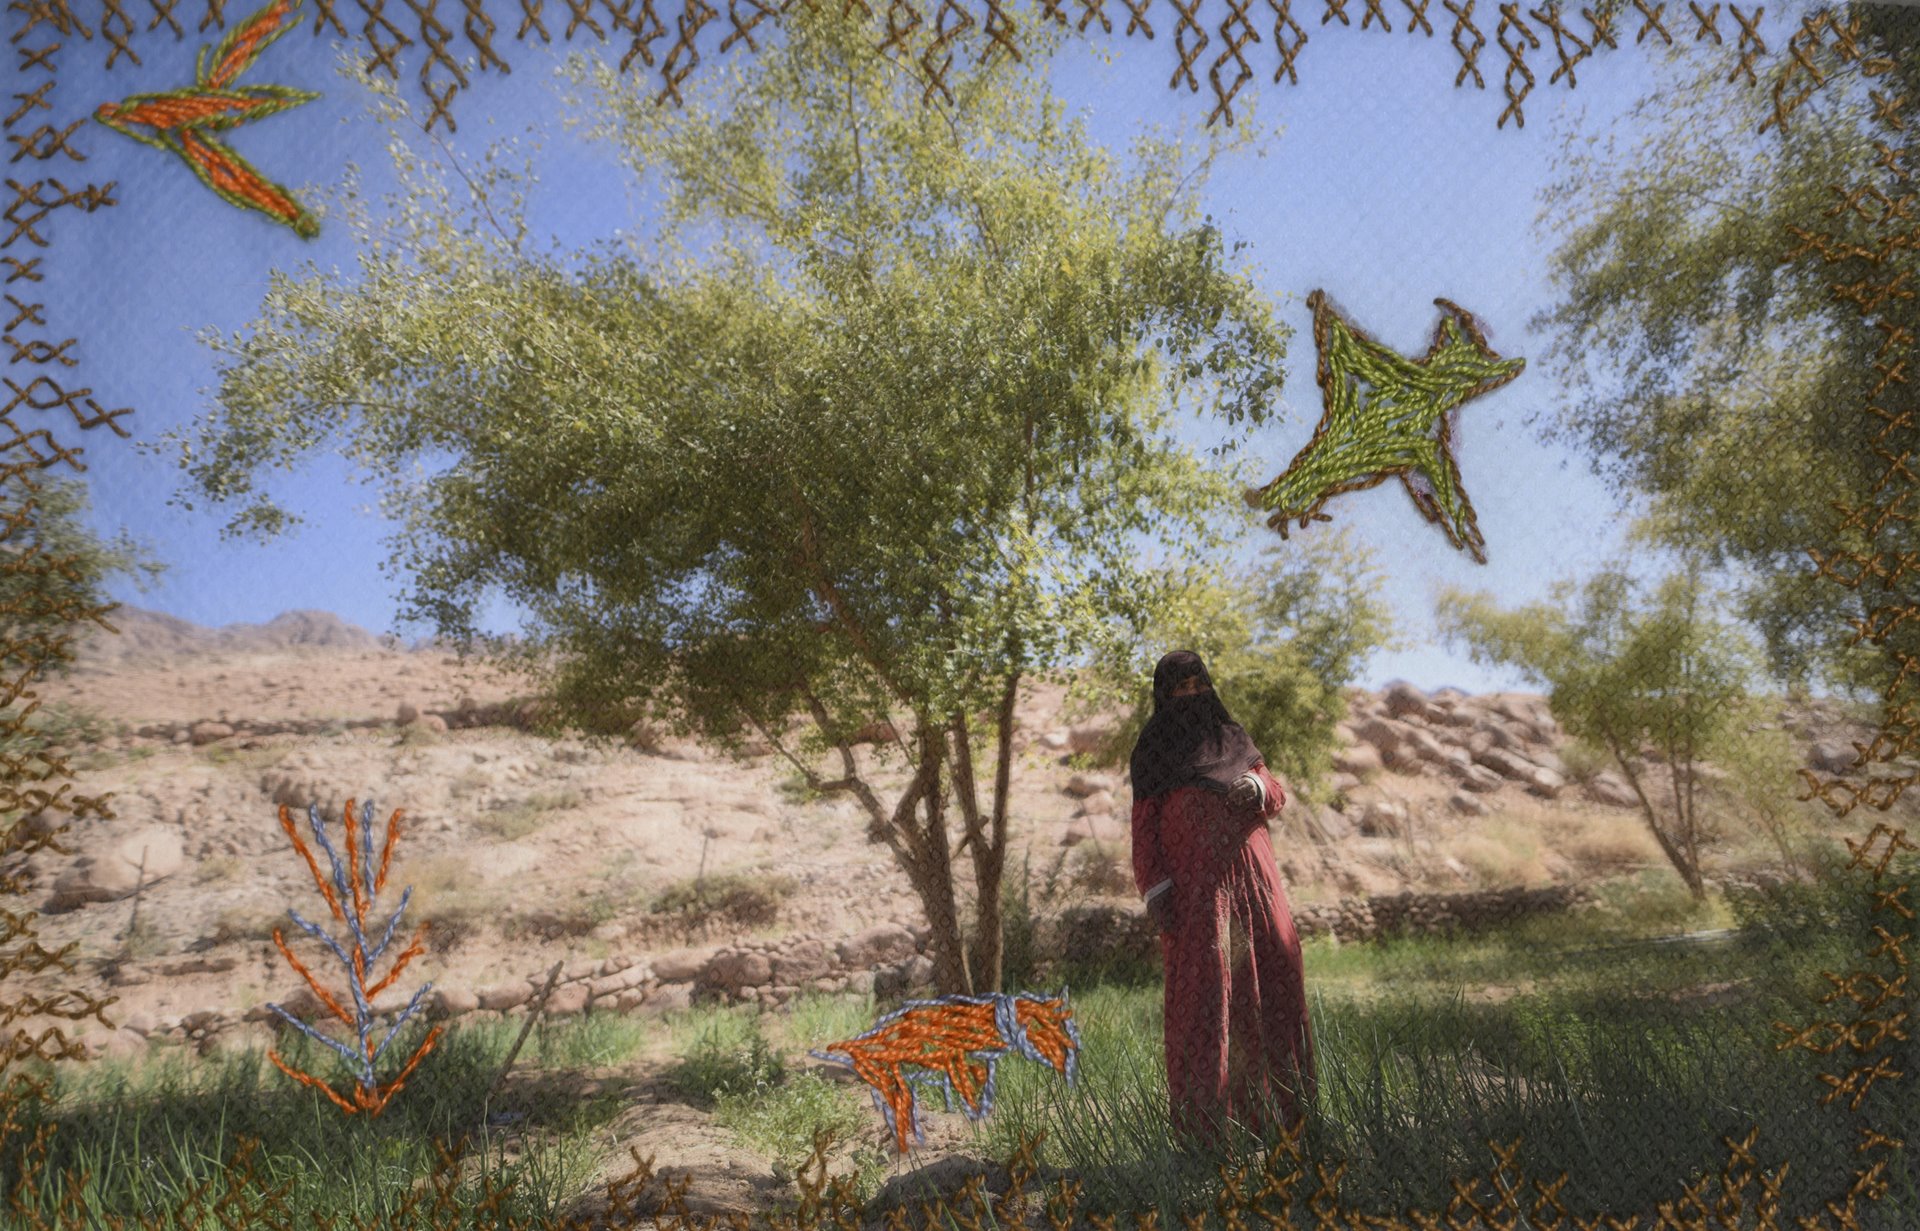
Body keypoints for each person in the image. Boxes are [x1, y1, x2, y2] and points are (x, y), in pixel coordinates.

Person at [1129, 649, 1317, 1151]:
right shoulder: (1152, 751)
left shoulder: (1234, 738)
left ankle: (1287, 1124)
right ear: (1163, 696)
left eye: (1197, 685)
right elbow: (1144, 829)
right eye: (1178, 690)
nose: (1190, 697)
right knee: (1207, 996)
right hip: (1198, 897)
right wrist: (1156, 887)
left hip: (1256, 887)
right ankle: (1210, 1136)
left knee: (1275, 974)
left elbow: (1276, 792)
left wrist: (1257, 786)